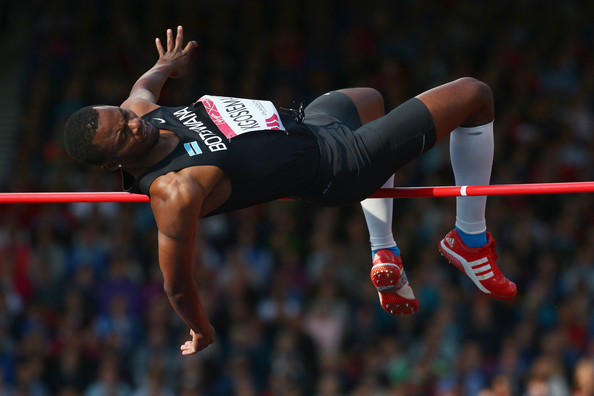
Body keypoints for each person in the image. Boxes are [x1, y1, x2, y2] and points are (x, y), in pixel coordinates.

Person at [63, 26, 516, 355]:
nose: (134, 123)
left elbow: (142, 89)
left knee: (370, 98)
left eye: (122, 116)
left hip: (309, 124)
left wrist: (165, 65)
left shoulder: (139, 114)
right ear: (111, 163)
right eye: (123, 133)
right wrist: (200, 330)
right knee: (474, 95)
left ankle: (385, 251)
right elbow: (177, 283)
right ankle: (469, 239)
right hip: (339, 164)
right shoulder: (174, 191)